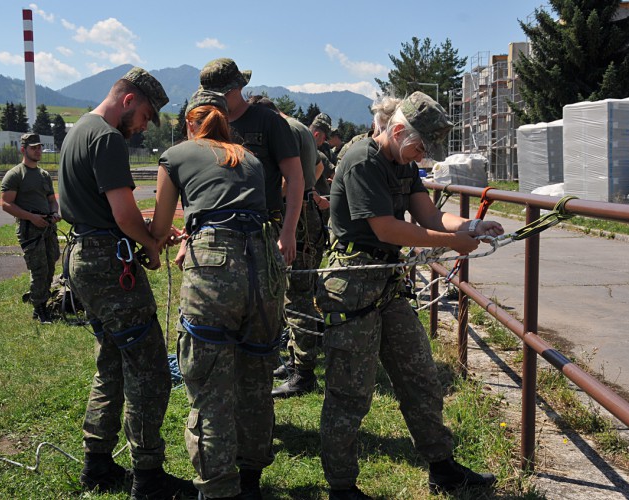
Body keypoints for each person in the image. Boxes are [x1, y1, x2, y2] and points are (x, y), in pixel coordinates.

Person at [316, 92, 502, 499]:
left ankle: (442, 466)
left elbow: (431, 216)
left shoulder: (402, 162)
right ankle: (342, 486)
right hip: (353, 285)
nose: (423, 156)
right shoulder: (364, 160)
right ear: (399, 131)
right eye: (421, 146)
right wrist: (451, 243)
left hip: (385, 283)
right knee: (350, 392)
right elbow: (388, 229)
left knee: (420, 377)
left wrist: (468, 228)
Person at [58, 66, 196, 500]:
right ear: (129, 100)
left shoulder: (78, 130)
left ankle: (97, 462)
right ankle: (148, 477)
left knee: (111, 363)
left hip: (83, 256)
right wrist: (153, 242)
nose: (143, 127)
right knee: (150, 368)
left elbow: (94, 210)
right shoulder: (107, 137)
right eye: (146, 116)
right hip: (106, 263)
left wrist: (147, 234)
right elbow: (122, 213)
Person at [151, 89, 286, 500]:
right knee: (255, 379)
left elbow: (158, 229)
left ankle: (218, 488)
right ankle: (250, 481)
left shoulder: (176, 155)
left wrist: (160, 240)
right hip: (263, 266)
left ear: (190, 122)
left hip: (213, 266)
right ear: (226, 121)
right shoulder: (250, 159)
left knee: (210, 385)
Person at [247, 97, 325, 399]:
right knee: (294, 293)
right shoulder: (298, 127)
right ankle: (295, 361)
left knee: (296, 297)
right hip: (307, 214)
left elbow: (287, 178)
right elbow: (316, 166)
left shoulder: (281, 129)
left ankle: (303, 372)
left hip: (299, 221)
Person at [198, 58, 303, 267]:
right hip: (214, 232)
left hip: (261, 229)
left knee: (264, 297)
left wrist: (288, 232)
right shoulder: (206, 124)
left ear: (238, 87)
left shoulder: (269, 122)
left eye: (221, 95)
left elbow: (295, 177)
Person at [0, 132, 61, 324]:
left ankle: (41, 302)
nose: (38, 150)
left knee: (51, 263)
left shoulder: (44, 175)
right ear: (23, 149)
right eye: (33, 147)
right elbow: (6, 204)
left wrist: (55, 213)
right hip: (30, 229)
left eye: (39, 147)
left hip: (47, 227)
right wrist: (32, 217)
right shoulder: (15, 175)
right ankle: (40, 308)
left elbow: (52, 200)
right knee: (39, 268)